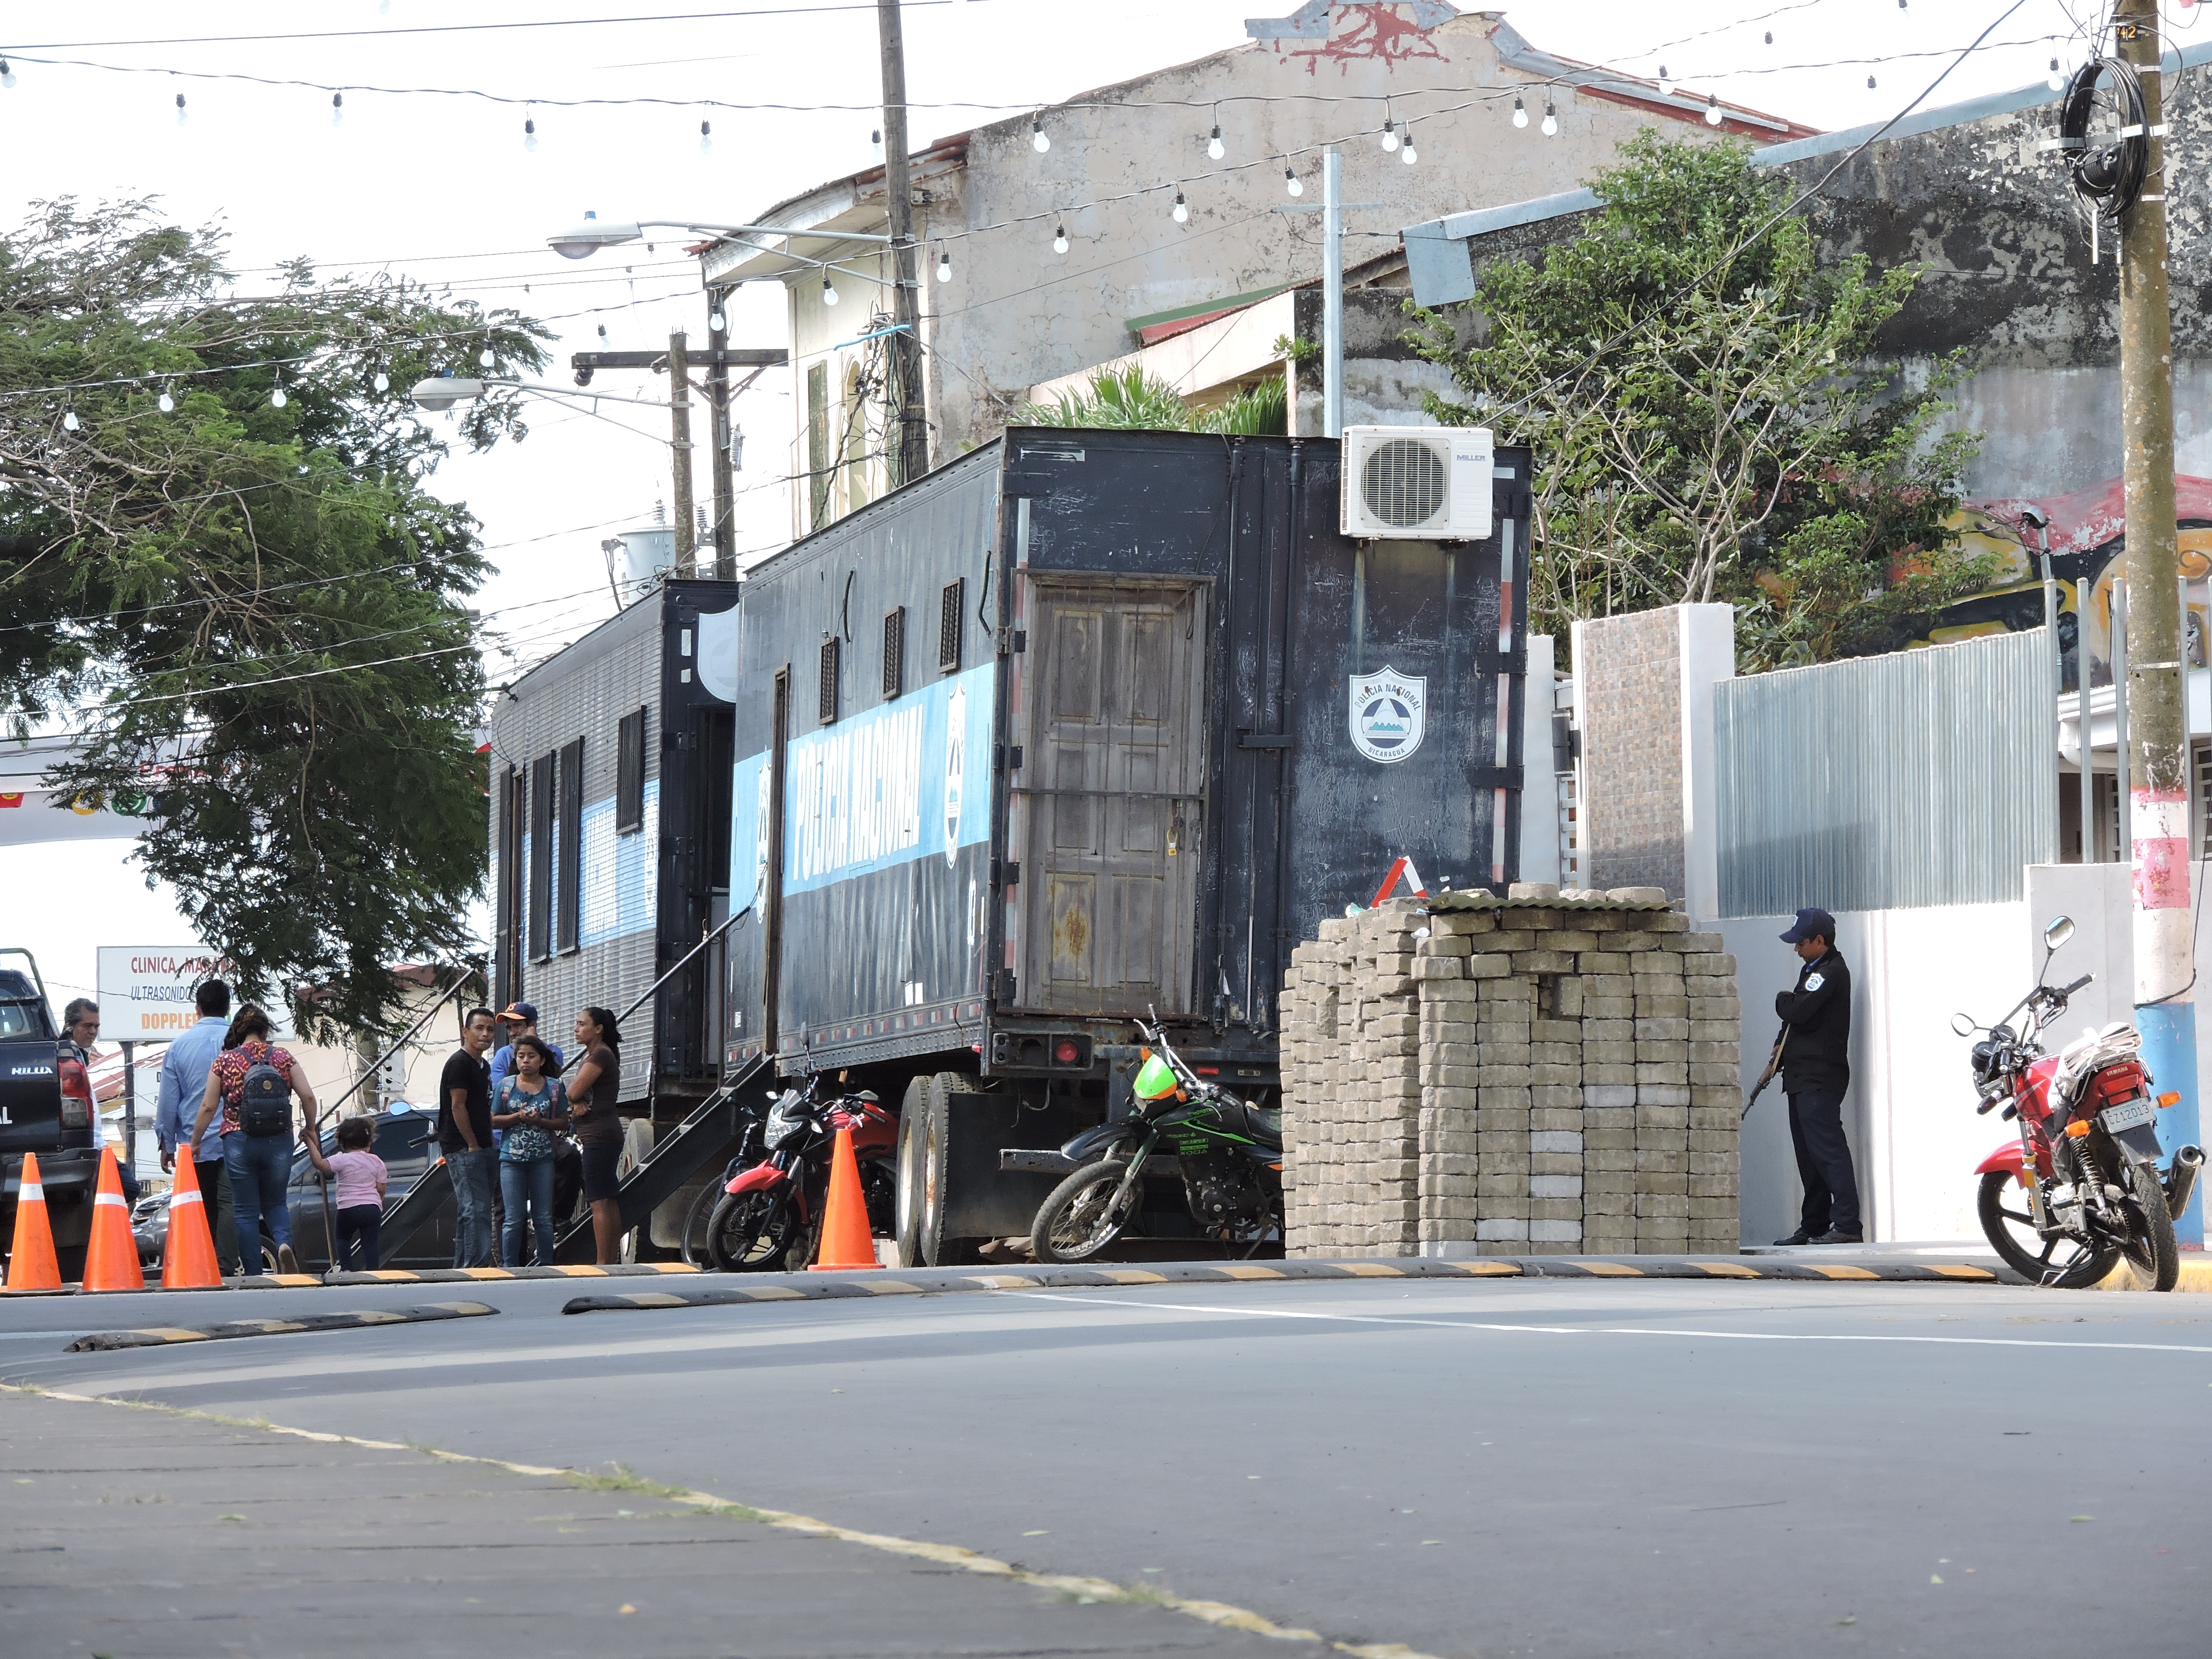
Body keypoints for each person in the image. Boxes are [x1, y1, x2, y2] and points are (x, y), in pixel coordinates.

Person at [192, 1005, 317, 1275]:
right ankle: (283, 1244)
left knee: (245, 1210)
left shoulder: (225, 1061)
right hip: (279, 1140)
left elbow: (208, 1107)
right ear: (265, 1030)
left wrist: (196, 1141)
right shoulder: (283, 1057)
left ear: (238, 1031)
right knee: (275, 1203)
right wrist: (311, 1128)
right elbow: (308, 1096)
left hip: (239, 1140)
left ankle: (253, 1272)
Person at [1768, 907, 1863, 1246]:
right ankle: (1814, 1224)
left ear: (1819, 941)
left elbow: (1796, 1010)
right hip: (1800, 1076)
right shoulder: (1813, 970)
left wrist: (1783, 999)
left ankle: (1848, 1223)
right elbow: (1794, 1022)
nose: (1796, 949)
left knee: (1829, 1151)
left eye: (1801, 943)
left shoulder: (1829, 972)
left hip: (1819, 1077)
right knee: (1809, 1157)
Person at [155, 979, 242, 1275]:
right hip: (236, 1137)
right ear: (228, 1008)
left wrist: (167, 1144)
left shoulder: (179, 1047)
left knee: (198, 1204)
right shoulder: (240, 1044)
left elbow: (169, 1101)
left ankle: (201, 1263)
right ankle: (227, 1265)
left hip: (196, 1141)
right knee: (230, 1202)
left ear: (198, 1009)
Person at [493, 1034, 568, 1267]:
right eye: (521, 1056)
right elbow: (493, 1121)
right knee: (513, 1220)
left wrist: (540, 1122)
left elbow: (564, 1123)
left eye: (531, 1056)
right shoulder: (505, 1086)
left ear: (542, 1060)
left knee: (543, 1219)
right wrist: (517, 1117)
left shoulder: (554, 1087)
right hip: (511, 1161)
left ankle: (546, 1266)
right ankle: (510, 1267)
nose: (526, 1061)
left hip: (543, 1160)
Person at [60, 998, 138, 1204]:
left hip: (98, 1146)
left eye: (96, 1026)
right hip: (84, 1147)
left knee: (129, 1188)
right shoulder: (63, 1057)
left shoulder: (79, 1056)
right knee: (127, 1188)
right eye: (87, 1026)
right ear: (70, 1027)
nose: (93, 1032)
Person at [440, 1008, 499, 1268]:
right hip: (463, 1148)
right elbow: (457, 1106)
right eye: (479, 1028)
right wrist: (473, 1144)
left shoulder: (483, 1065)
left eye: (490, 1030)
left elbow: (483, 1106)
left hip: (484, 1145)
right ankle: (476, 1268)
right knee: (476, 1210)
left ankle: (463, 1268)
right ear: (466, 1031)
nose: (485, 1035)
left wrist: (488, 1140)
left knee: (472, 1211)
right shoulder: (459, 1063)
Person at [567, 1007, 626, 1265]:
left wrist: (574, 1101)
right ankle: (610, 1260)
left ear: (599, 1029)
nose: (577, 1029)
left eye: (582, 1024)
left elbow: (573, 1091)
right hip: (604, 1134)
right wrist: (575, 1103)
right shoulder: (599, 1054)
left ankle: (603, 1263)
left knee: (598, 1200)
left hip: (598, 1136)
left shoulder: (600, 1055)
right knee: (607, 1198)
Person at [301, 1116, 387, 1271]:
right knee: (370, 1242)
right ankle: (374, 1271)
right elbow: (381, 1187)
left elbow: (320, 1164)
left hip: (348, 1208)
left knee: (342, 1238)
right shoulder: (377, 1161)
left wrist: (309, 1143)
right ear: (369, 1143)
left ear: (342, 1144)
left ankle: (346, 1269)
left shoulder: (343, 1159)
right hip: (372, 1208)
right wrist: (378, 1202)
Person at [488, 1001, 564, 1098]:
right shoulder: (503, 1054)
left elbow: (551, 1079)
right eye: (509, 1027)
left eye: (517, 1026)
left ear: (532, 1025)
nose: (512, 1033)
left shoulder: (554, 1051)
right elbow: (499, 1092)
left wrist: (532, 1043)